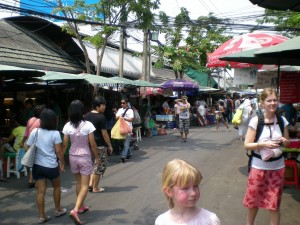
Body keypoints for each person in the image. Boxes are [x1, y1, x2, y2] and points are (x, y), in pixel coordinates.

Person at [243, 88, 290, 225]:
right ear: (262, 103)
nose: (273, 103)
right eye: (269, 100)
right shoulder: (256, 121)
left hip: (278, 167)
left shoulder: (282, 121)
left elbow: (286, 143)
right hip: (258, 168)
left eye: (275, 100)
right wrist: (261, 145)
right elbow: (247, 145)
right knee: (253, 202)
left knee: (274, 204)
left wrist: (285, 142)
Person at [62, 100, 99, 225]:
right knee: (85, 185)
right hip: (84, 157)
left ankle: (82, 205)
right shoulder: (88, 125)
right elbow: (92, 144)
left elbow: (65, 144)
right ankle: (76, 210)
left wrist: (61, 160)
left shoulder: (67, 126)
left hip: (72, 157)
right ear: (82, 110)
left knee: (78, 182)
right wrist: (97, 158)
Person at [26, 109, 66, 223]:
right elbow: (58, 151)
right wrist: (62, 163)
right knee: (57, 187)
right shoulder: (55, 133)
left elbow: (28, 147)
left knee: (40, 192)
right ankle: (58, 209)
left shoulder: (35, 132)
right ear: (54, 121)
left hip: (37, 167)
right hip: (51, 166)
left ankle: (42, 216)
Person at [155, 159, 221, 225]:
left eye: (195, 186)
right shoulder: (161, 221)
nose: (193, 193)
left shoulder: (210, 220)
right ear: (169, 191)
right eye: (185, 188)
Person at [84, 96, 113, 193]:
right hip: (99, 145)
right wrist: (109, 145)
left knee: (94, 165)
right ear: (97, 106)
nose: (104, 107)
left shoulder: (86, 116)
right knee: (99, 166)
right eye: (102, 105)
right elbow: (104, 134)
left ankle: (91, 184)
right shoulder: (101, 117)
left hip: (88, 145)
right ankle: (95, 188)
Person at [19, 104, 46, 188]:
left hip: (30, 143)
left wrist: (22, 142)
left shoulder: (30, 120)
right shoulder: (42, 121)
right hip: (39, 144)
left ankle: (31, 179)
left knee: (32, 162)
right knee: (38, 162)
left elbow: (26, 132)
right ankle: (37, 181)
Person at [116, 98, 134, 163]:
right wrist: (119, 116)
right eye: (121, 103)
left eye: (123, 103)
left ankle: (123, 156)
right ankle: (129, 153)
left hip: (128, 129)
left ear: (126, 103)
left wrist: (124, 118)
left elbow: (131, 119)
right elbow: (116, 117)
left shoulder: (130, 111)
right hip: (121, 128)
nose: (122, 104)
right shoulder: (120, 110)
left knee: (126, 143)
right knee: (124, 143)